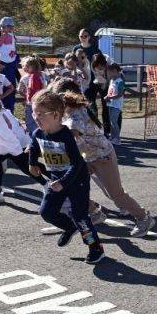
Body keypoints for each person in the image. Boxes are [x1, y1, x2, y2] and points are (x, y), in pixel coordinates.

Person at [50, 77, 155, 236]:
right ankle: (95, 213)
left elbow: (70, 136)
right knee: (71, 188)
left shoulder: (76, 116)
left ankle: (144, 217)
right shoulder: (67, 112)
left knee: (116, 194)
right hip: (86, 157)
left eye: (57, 97)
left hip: (102, 157)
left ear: (66, 97)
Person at [28, 90, 106, 265]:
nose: (35, 118)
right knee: (46, 212)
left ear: (56, 115)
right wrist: (32, 162)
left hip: (76, 181)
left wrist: (64, 182)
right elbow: (33, 146)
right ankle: (68, 227)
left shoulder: (66, 136)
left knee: (80, 216)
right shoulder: (38, 133)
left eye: (40, 114)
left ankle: (95, 248)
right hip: (56, 179)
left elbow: (77, 164)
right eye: (34, 113)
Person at [16, 55, 50, 136]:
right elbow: (19, 90)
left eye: (28, 66)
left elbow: (48, 85)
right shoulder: (24, 78)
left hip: (41, 103)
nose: (25, 68)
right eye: (24, 66)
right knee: (30, 120)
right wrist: (26, 95)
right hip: (30, 104)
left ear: (34, 66)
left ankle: (41, 134)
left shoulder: (43, 75)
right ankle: (33, 136)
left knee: (40, 119)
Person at [104, 62, 126, 145]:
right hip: (111, 104)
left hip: (117, 105)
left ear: (115, 71)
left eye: (110, 72)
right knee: (111, 121)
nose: (108, 74)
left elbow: (120, 94)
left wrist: (110, 98)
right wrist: (107, 96)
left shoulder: (120, 81)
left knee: (114, 121)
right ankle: (113, 137)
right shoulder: (112, 80)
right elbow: (111, 92)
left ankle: (117, 139)